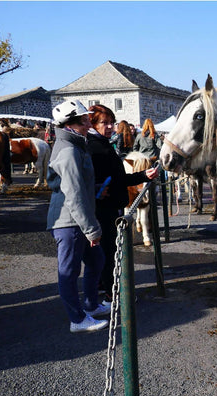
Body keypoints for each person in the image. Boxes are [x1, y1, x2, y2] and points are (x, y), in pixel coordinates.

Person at [46, 100, 110, 333]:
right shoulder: (70, 150)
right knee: (69, 272)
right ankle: (77, 319)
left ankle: (91, 306)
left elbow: (75, 186)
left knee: (96, 261)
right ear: (71, 124)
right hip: (70, 222)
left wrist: (94, 189)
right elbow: (73, 193)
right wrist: (91, 229)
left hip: (75, 219)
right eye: (84, 120)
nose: (87, 123)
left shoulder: (74, 146)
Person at [87, 105, 158, 304]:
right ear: (93, 124)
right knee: (109, 252)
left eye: (112, 122)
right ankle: (111, 294)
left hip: (109, 206)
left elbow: (118, 178)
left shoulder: (102, 143)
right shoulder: (94, 146)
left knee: (108, 251)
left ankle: (104, 287)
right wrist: (95, 189)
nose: (110, 127)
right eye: (104, 123)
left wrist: (144, 175)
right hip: (103, 208)